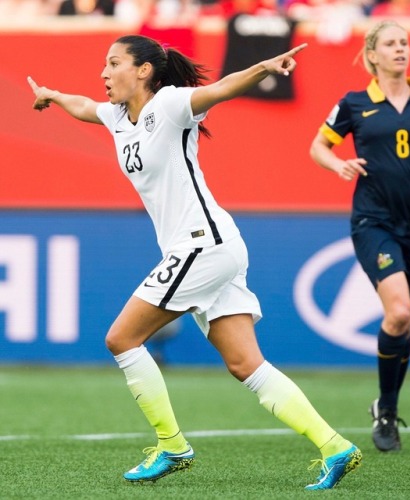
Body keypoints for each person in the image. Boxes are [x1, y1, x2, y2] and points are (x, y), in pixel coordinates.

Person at [28, 35, 362, 489]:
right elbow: (85, 106)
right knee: (246, 365)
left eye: (114, 63)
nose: (104, 73)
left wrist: (263, 68)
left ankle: (172, 446)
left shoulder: (169, 105)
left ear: (144, 70)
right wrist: (52, 95)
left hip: (201, 245)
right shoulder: (117, 115)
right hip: (212, 246)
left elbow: (221, 88)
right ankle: (335, 446)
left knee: (122, 339)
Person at [309, 20, 410, 452]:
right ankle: (388, 411)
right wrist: (338, 164)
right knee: (398, 313)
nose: (400, 49)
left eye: (404, 43)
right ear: (372, 55)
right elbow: (318, 146)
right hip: (373, 221)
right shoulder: (354, 103)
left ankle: (385, 406)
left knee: (404, 322)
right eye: (391, 44)